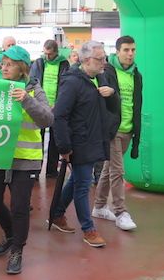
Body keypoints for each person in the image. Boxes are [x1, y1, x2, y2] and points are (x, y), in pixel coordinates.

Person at [0, 47, 53, 274]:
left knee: (20, 207)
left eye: (10, 64)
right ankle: (10, 232)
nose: (4, 67)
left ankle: (17, 250)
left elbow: (47, 119)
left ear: (22, 67)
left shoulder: (34, 89)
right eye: (3, 63)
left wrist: (26, 101)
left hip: (25, 157)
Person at [49, 41, 119, 248]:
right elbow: (59, 116)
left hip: (95, 139)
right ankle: (88, 229)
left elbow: (112, 107)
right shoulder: (72, 82)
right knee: (83, 185)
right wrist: (64, 147)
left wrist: (112, 94)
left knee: (76, 181)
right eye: (100, 59)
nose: (104, 63)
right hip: (79, 143)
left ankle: (57, 214)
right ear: (87, 60)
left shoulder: (100, 78)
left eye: (105, 58)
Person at [92, 36, 142, 231]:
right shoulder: (106, 72)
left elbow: (137, 103)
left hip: (128, 129)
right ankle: (121, 212)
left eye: (133, 50)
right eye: (126, 50)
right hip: (112, 130)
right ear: (118, 51)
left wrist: (136, 129)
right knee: (117, 171)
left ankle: (99, 206)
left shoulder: (136, 74)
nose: (130, 54)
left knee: (108, 169)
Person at [29, 39, 70, 177]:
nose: (47, 57)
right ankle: (35, 170)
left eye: (50, 54)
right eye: (45, 53)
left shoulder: (64, 64)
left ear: (56, 53)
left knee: (55, 139)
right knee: (37, 138)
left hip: (56, 106)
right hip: (40, 106)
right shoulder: (39, 62)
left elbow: (65, 84)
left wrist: (58, 102)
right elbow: (33, 81)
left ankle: (51, 170)